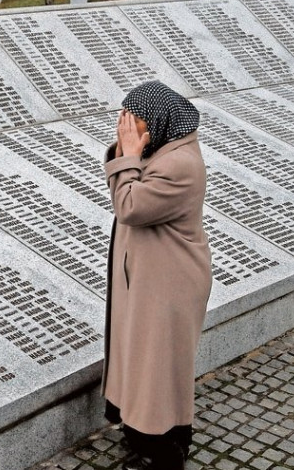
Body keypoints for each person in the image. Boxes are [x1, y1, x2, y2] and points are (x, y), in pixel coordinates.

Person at [102, 81, 213, 470]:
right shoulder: (164, 150)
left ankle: (165, 455)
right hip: (151, 279)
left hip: (169, 284)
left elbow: (129, 205)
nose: (126, 129)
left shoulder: (178, 165)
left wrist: (127, 155)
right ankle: (154, 438)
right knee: (146, 364)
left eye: (135, 123)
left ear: (160, 122)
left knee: (157, 371)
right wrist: (127, 153)